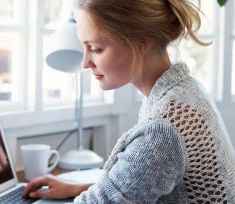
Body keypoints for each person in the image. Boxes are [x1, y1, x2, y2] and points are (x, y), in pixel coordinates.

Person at [23, 0, 235, 203]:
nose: (85, 63)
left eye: (96, 49)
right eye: (84, 47)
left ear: (141, 42)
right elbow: (140, 183)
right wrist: (77, 188)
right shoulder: (185, 89)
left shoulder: (162, 130)